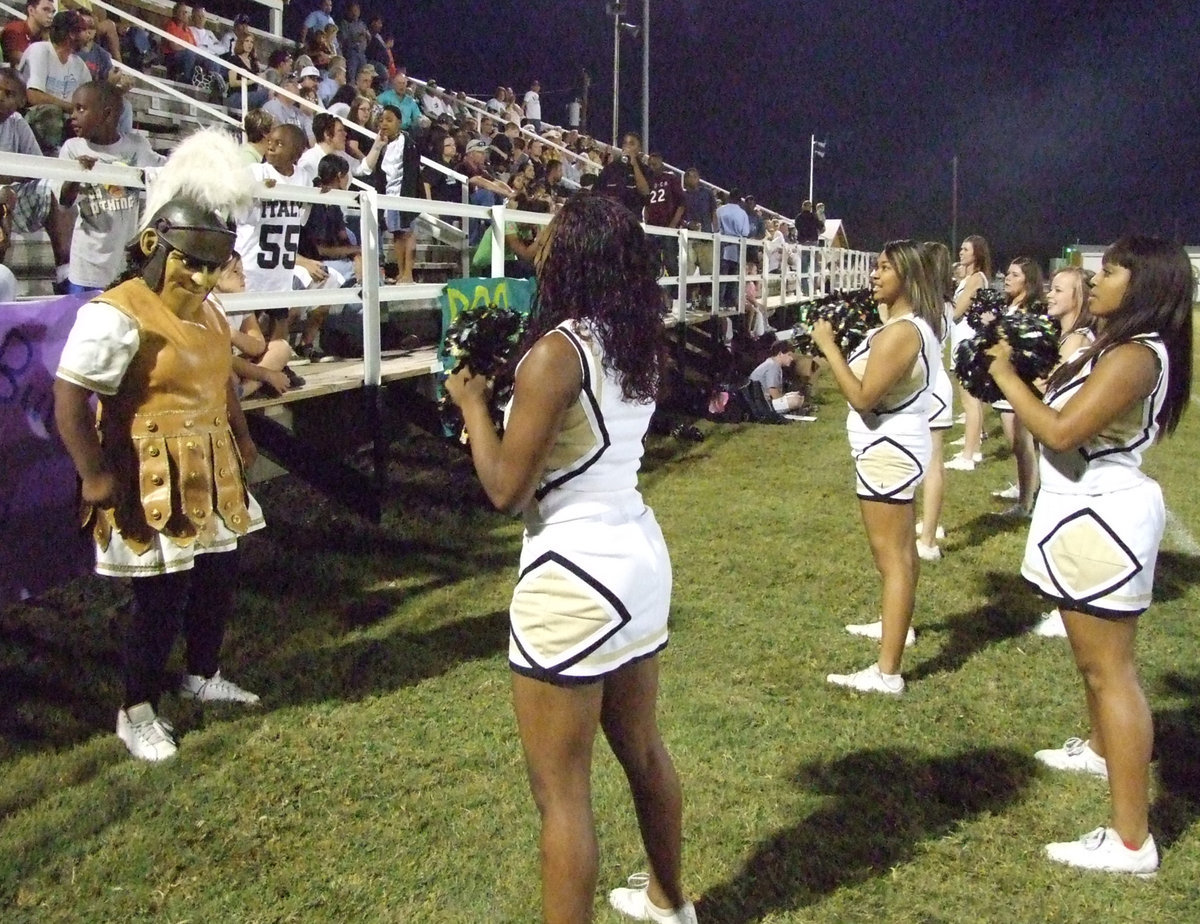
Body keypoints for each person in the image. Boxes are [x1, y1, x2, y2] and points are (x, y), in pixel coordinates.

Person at [445, 194, 697, 924]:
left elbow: (504, 488)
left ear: (575, 254)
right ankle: (668, 902)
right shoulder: (634, 337)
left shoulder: (558, 353)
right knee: (644, 751)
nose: (540, 247)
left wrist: (470, 406)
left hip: (574, 574)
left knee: (562, 794)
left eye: (551, 238)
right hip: (639, 557)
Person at [53, 128, 264, 763]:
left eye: (211, 263)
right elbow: (70, 398)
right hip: (150, 473)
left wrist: (244, 435)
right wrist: (93, 477)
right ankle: (135, 708)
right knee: (160, 596)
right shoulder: (116, 312)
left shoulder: (212, 314)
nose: (200, 277)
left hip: (213, 465)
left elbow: (222, 376)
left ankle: (202, 673)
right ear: (154, 245)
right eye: (190, 261)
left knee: (217, 576)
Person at [985, 236, 1193, 876]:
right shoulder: (1117, 347)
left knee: (1112, 673)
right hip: (1085, 514)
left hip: (1104, 517)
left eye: (1111, 272)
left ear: (1146, 285)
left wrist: (1003, 377)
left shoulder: (1136, 356)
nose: (1096, 280)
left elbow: (1061, 431)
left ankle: (1133, 841)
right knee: (1095, 666)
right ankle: (1103, 749)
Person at [813, 240, 943, 693]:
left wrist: (828, 347)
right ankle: (896, 627)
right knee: (899, 554)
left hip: (888, 451)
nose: (874, 275)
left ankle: (887, 672)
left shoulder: (903, 332)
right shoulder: (903, 327)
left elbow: (864, 397)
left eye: (884, 268)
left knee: (893, 558)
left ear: (906, 276)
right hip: (892, 449)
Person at [1025, 265, 1096, 639]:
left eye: (1059, 290)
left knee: (1068, 522)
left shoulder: (1078, 342)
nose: (1050, 295)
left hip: (1071, 455)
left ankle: (1070, 606)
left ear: (1078, 298)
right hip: (1056, 449)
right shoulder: (1065, 336)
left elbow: (1054, 392)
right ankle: (1064, 601)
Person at [57, 82, 166, 293]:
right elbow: (64, 201)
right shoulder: (73, 148)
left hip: (123, 262)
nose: (72, 115)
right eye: (72, 109)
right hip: (87, 263)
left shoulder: (136, 146)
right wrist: (76, 175)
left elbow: (164, 169)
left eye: (80, 109)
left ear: (107, 114)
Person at [0, 66, 74, 292]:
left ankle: (64, 273)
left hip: (11, 194)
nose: (0, 97)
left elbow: (39, 168)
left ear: (22, 103)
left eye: (9, 94)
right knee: (4, 194)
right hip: (5, 196)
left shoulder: (16, 123)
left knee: (53, 187)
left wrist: (8, 180)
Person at [990, 256, 1045, 516]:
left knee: (1022, 443)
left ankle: (1026, 502)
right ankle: (1030, 489)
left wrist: (993, 327)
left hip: (1019, 383)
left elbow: (1022, 347)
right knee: (1020, 445)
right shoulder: (1012, 305)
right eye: (1008, 274)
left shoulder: (1029, 310)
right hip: (1008, 383)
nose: (1007, 279)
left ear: (1028, 281)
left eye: (1014, 275)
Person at [913, 242, 956, 561]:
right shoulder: (945, 302)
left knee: (929, 463)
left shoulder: (922, 305)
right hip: (936, 382)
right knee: (931, 462)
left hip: (926, 384)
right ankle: (931, 526)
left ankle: (927, 541)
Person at [945, 234, 992, 471]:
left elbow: (957, 312)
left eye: (965, 249)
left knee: (969, 402)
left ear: (977, 253)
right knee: (973, 400)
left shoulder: (975, 279)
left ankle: (968, 456)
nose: (961, 253)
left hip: (968, 344)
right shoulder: (973, 277)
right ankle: (975, 449)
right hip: (964, 342)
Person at [595, 131, 650, 217]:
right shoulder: (611, 168)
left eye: (632, 144)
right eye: (625, 143)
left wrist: (634, 164)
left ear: (639, 149)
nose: (627, 146)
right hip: (611, 217)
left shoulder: (644, 169)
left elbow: (645, 192)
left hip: (633, 218)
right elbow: (597, 191)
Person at [748, 340, 807, 413]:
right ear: (780, 354)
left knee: (796, 395)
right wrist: (788, 399)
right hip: (762, 404)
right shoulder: (773, 366)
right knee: (796, 401)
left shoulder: (771, 363)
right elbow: (774, 393)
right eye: (789, 355)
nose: (791, 359)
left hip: (761, 401)